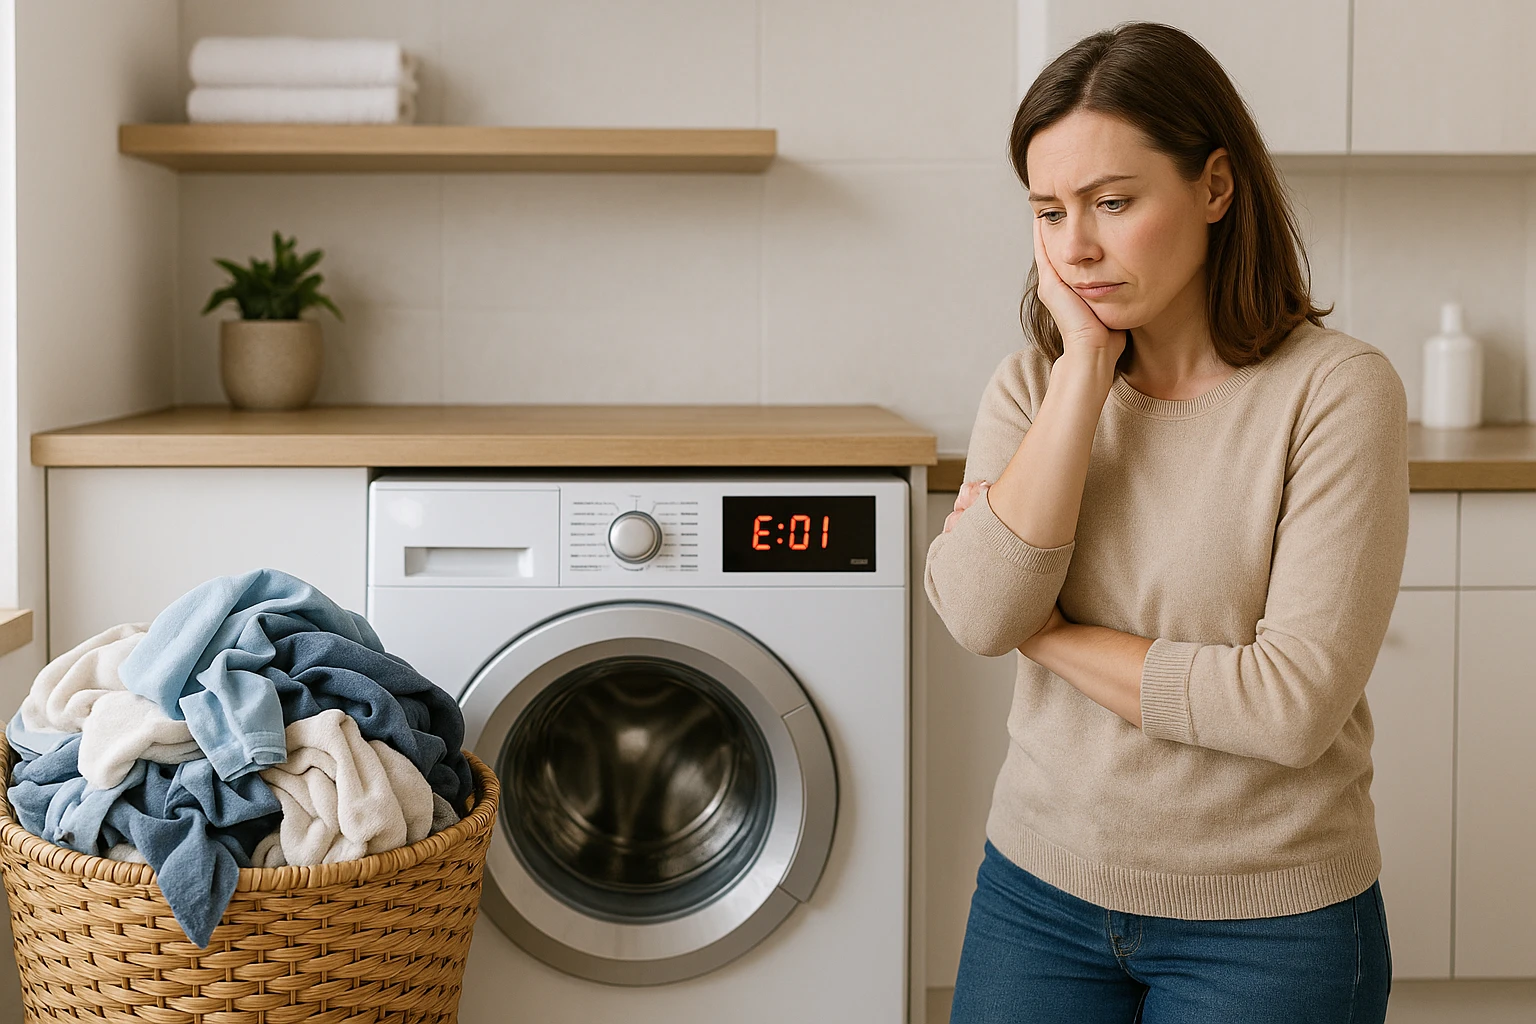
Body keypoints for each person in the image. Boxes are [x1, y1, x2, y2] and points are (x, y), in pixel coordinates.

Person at [925, 21, 1405, 1024]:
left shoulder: (1335, 393)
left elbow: (1289, 705)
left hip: (1271, 922)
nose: (1077, 245)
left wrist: (1046, 630)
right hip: (1036, 894)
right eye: (1050, 212)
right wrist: (1086, 370)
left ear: (1216, 188)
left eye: (1112, 202)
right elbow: (975, 616)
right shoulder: (1033, 387)